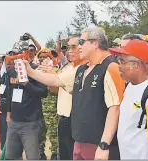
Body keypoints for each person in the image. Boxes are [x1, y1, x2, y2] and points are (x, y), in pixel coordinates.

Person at [24, 26, 124, 160]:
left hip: (98, 144)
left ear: (95, 43)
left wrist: (104, 144)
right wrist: (30, 71)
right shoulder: (81, 69)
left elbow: (115, 108)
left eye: (81, 43)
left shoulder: (110, 67)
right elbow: (56, 81)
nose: (78, 48)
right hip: (79, 140)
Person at [39, 34, 86, 160]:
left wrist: (48, 73)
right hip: (63, 116)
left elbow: (56, 81)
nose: (69, 51)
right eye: (68, 48)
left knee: (72, 154)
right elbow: (54, 89)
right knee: (64, 154)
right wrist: (49, 75)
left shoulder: (82, 68)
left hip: (74, 118)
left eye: (73, 47)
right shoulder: (68, 66)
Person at [4, 54, 48, 160]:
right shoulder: (11, 72)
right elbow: (9, 95)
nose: (17, 59)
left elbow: (43, 93)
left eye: (20, 55)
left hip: (31, 123)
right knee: (11, 156)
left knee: (33, 157)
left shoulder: (35, 71)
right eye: (14, 57)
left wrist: (27, 84)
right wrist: (8, 115)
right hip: (14, 122)